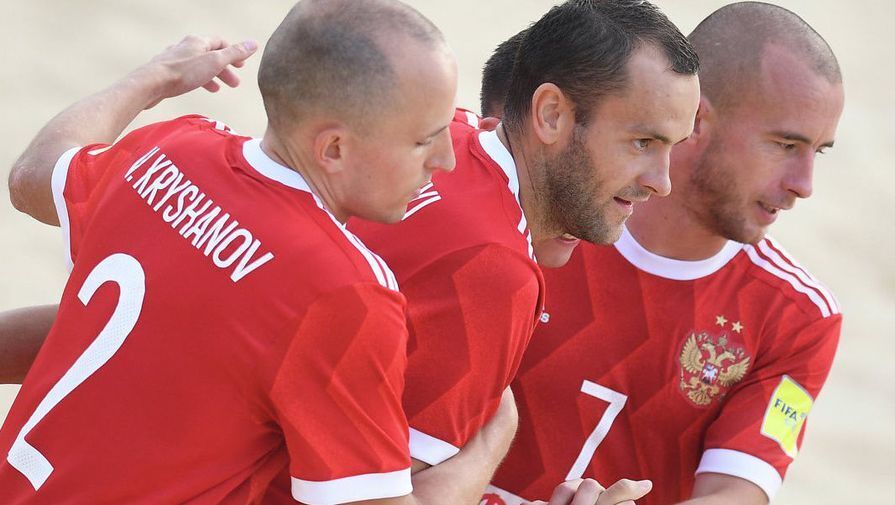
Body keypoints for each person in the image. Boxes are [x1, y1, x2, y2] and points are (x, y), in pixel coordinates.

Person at [0, 0, 522, 503]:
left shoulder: (168, 148)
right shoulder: (343, 291)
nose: (445, 160)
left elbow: (31, 176)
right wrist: (492, 437)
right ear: (334, 149)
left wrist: (156, 77)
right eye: (424, 140)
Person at [482, 3, 845, 504]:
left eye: (817, 151)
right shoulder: (544, 211)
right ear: (696, 119)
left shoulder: (798, 314)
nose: (804, 184)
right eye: (785, 145)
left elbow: (737, 492)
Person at [347, 0, 698, 496]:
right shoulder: (494, 271)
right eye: (643, 142)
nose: (662, 183)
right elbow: (372, 497)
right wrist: (497, 433)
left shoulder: (449, 133)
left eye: (673, 148)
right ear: (551, 114)